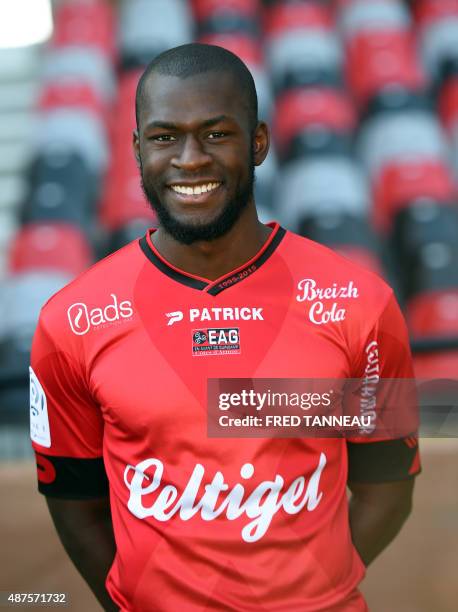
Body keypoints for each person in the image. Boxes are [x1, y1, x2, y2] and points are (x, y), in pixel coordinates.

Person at [30, 43, 420, 612]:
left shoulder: (360, 304)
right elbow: (75, 503)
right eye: (164, 137)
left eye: (216, 133)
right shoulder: (72, 321)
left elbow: (387, 487)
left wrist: (308, 591)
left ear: (258, 142)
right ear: (138, 150)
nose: (190, 159)